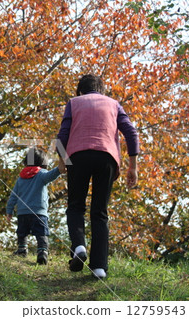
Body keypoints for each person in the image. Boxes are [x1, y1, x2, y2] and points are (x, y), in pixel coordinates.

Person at [57, 74, 139, 279]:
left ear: (80, 91)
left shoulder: (73, 103)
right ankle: (99, 267)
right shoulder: (114, 104)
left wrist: (61, 159)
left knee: (75, 206)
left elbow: (62, 134)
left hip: (78, 156)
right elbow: (131, 132)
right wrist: (133, 166)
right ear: (101, 90)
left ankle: (79, 247)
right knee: (100, 211)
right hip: (107, 157)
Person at [6, 148, 65, 265]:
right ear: (43, 162)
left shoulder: (21, 177)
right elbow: (51, 175)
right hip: (39, 212)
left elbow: (13, 196)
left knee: (22, 232)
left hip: (22, 212)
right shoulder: (41, 173)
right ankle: (42, 252)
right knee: (41, 233)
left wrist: (9, 210)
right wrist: (59, 169)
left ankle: (22, 249)